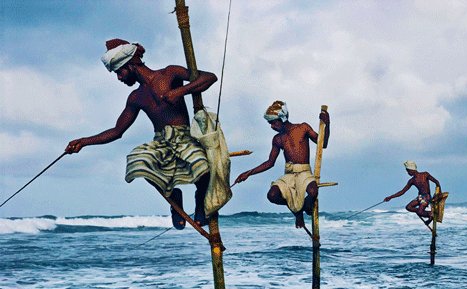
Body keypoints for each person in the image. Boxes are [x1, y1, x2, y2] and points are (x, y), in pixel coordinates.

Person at [65, 39, 218, 230]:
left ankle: (200, 204)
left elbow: (209, 77)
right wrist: (83, 141)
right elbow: (117, 131)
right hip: (161, 142)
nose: (119, 78)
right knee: (137, 160)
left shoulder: (169, 73)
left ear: (130, 65)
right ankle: (173, 198)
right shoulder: (136, 97)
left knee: (202, 165)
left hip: (185, 137)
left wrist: (180, 91)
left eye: (119, 72)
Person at [234, 100, 330, 229]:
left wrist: (327, 124)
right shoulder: (277, 139)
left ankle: (304, 208)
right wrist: (248, 173)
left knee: (313, 192)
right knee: (272, 196)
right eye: (270, 123)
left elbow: (322, 144)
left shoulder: (303, 128)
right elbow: (270, 163)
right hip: (289, 174)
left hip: (304, 172)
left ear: (283, 118)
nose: (272, 126)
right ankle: (297, 212)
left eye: (273, 122)